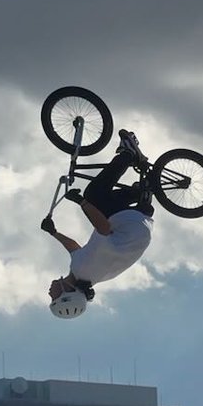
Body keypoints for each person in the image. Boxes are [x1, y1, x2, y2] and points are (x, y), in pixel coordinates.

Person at [43, 130, 154, 318]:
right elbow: (104, 228)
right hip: (129, 223)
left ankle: (138, 193)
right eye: (54, 297)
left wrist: (54, 232)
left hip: (139, 224)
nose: (49, 293)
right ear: (66, 294)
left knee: (103, 205)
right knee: (93, 195)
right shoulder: (84, 268)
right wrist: (81, 202)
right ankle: (128, 153)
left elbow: (74, 249)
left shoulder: (86, 273)